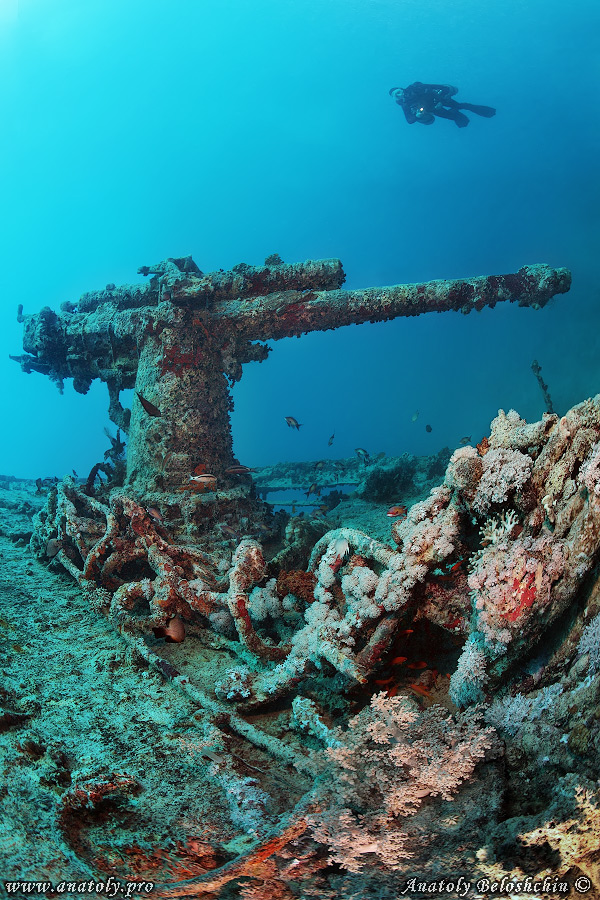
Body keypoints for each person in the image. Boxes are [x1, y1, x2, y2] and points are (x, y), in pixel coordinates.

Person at [389, 82, 496, 128]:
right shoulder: (405, 104)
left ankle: (485, 111)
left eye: (398, 92)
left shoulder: (415, 88)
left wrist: (441, 99)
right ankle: (456, 114)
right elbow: (409, 120)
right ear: (395, 99)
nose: (399, 95)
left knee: (460, 106)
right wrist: (418, 116)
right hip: (434, 109)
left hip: (438, 99)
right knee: (459, 119)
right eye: (396, 96)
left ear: (401, 89)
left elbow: (433, 87)